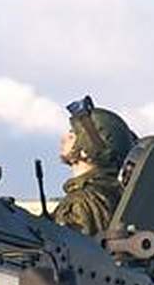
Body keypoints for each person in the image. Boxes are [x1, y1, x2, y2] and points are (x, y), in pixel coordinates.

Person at [51, 96, 136, 236]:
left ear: (86, 151)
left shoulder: (80, 202)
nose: (63, 139)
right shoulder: (114, 192)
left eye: (72, 135)